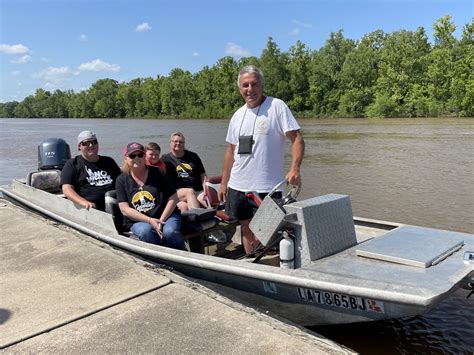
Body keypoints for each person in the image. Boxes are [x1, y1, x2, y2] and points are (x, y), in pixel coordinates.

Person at [218, 65, 305, 255]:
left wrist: (294, 169)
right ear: (240, 88)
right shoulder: (237, 115)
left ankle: (270, 268)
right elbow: (231, 151)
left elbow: (297, 138)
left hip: (268, 187)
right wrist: (224, 182)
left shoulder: (276, 106)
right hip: (238, 185)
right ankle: (251, 260)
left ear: (262, 85)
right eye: (245, 85)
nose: (250, 89)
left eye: (254, 84)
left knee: (269, 233)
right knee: (246, 228)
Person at [115, 142, 186, 250]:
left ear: (144, 156)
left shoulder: (158, 173)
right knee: (145, 231)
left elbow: (173, 197)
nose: (137, 158)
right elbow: (124, 209)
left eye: (140, 155)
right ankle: (158, 257)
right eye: (132, 155)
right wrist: (150, 220)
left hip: (166, 216)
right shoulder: (121, 180)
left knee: (170, 232)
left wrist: (161, 221)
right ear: (126, 158)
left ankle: (183, 254)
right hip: (139, 221)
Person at [61, 130, 121, 211]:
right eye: (86, 143)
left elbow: (122, 182)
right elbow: (67, 189)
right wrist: (83, 202)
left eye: (94, 142)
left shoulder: (109, 161)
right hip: (91, 209)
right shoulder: (72, 164)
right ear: (79, 146)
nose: (91, 145)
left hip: (116, 204)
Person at [161, 132, 207, 211]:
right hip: (177, 192)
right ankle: (197, 218)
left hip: (198, 190)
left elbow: (203, 175)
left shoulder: (193, 156)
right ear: (170, 143)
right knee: (187, 199)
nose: (178, 143)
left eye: (180, 142)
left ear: (184, 144)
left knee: (209, 201)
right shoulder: (165, 159)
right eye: (175, 141)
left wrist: (206, 190)